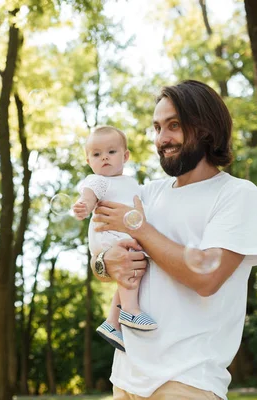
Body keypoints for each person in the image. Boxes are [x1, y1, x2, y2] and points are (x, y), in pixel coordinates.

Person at [90, 80, 257, 400]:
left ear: (206, 129)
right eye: (157, 127)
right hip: (126, 379)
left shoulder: (237, 195)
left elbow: (207, 278)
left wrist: (140, 228)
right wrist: (104, 262)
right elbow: (105, 264)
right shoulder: (145, 194)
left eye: (174, 126)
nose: (162, 138)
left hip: (188, 382)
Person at [72, 126, 157, 352]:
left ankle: (112, 323)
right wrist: (84, 206)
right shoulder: (98, 180)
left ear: (125, 156)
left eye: (111, 151)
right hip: (108, 236)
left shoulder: (130, 182)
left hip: (122, 233)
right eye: (97, 154)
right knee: (132, 264)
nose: (105, 158)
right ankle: (130, 311)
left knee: (129, 266)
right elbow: (88, 196)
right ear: (89, 160)